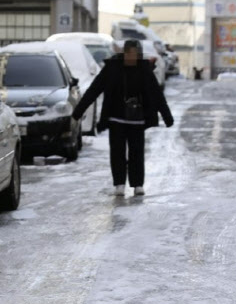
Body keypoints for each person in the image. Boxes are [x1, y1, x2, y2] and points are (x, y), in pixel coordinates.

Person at [72, 39, 173, 196]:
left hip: (138, 118)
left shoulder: (144, 70)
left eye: (136, 54)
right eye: (130, 54)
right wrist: (78, 112)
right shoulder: (112, 69)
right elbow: (94, 89)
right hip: (116, 117)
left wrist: (167, 116)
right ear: (124, 54)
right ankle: (119, 183)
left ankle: (137, 184)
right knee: (117, 152)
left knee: (136, 152)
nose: (133, 58)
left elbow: (156, 94)